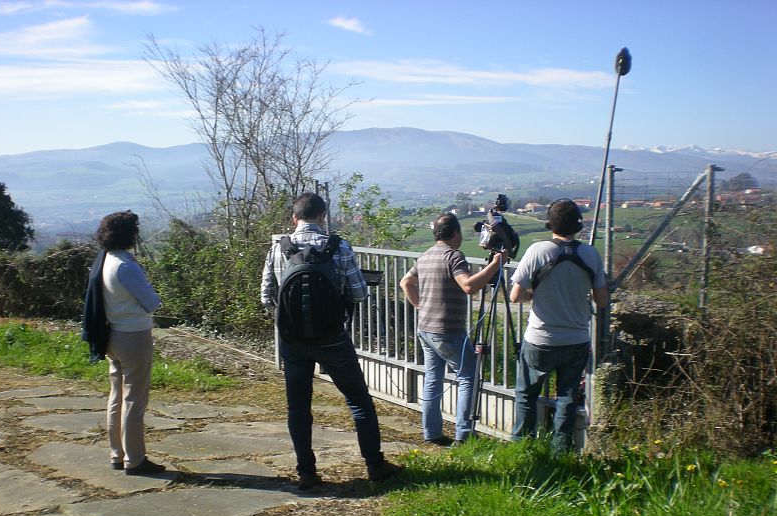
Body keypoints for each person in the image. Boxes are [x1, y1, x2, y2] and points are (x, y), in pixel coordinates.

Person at [260, 192, 402, 490]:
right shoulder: (339, 247)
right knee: (359, 401)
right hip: (332, 338)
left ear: (294, 219)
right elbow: (360, 293)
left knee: (298, 407)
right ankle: (375, 465)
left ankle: (306, 472)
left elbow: (265, 296)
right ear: (323, 217)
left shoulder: (278, 248)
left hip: (293, 341)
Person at [509, 199, 608, 452]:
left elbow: (515, 295)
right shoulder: (590, 254)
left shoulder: (537, 251)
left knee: (527, 394)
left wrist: (533, 296)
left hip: (540, 338)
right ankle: (560, 452)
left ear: (549, 223)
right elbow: (602, 300)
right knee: (567, 397)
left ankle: (522, 447)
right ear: (578, 225)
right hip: (576, 339)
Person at [399, 213, 507, 445]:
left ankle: (432, 433)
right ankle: (464, 435)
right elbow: (468, 286)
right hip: (447, 329)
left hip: (426, 327)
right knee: (469, 376)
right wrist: (495, 264)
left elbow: (405, 283)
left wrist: (419, 305)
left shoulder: (426, 256)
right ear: (456, 233)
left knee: (433, 379)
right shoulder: (453, 256)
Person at [86, 211, 165, 475]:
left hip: (112, 335)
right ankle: (135, 459)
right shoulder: (125, 265)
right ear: (129, 234)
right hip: (134, 336)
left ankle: (116, 454)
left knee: (116, 397)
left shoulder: (104, 259)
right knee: (134, 400)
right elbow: (152, 302)